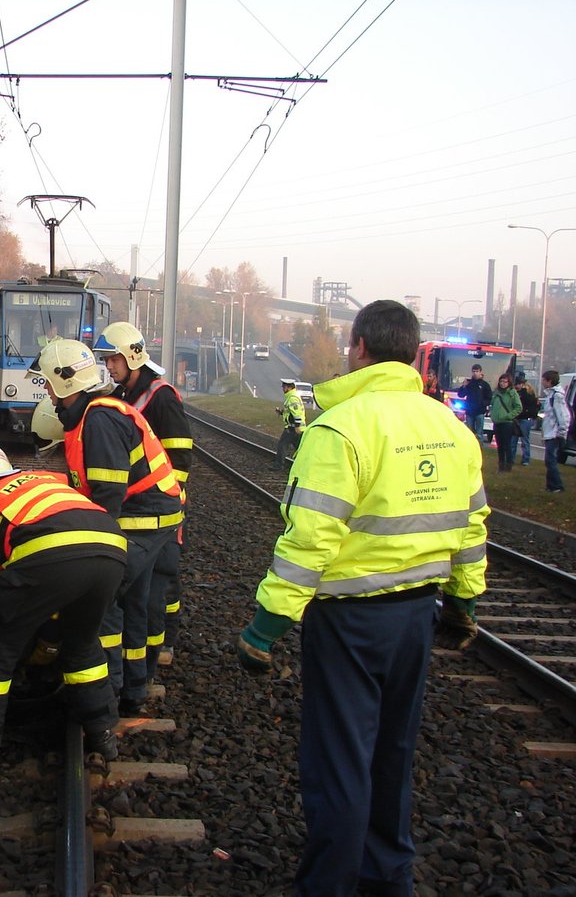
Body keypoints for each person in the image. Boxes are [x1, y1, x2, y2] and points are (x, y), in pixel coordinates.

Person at [236, 299, 488, 896]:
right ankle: (387, 877)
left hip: (349, 620)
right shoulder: (451, 429)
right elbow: (472, 529)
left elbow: (311, 538)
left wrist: (267, 626)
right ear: (412, 351)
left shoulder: (341, 427)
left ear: (359, 348)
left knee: (339, 760)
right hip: (416, 618)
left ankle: (329, 885)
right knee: (393, 755)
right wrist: (463, 604)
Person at [29, 339, 183, 717]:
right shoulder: (93, 417)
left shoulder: (98, 420)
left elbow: (107, 499)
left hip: (144, 517)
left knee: (103, 593)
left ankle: (108, 692)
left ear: (65, 382)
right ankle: (131, 689)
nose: (46, 391)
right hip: (148, 514)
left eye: (48, 383)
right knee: (132, 602)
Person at [0, 443, 126, 769]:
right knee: (81, 642)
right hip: (112, 548)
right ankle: (103, 732)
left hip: (50, 553)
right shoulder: (44, 480)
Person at [93, 321, 193, 669]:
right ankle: (146, 661)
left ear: (133, 357)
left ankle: (163, 643)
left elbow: (179, 456)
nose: (109, 366)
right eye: (106, 360)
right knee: (142, 590)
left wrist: (169, 498)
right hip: (137, 507)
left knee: (160, 582)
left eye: (113, 359)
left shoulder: (161, 397)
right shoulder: (123, 397)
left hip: (160, 507)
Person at [542, 369, 571, 494]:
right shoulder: (550, 395)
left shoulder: (556, 396)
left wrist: (561, 432)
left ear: (549, 381)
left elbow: (562, 415)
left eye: (544, 380)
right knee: (549, 460)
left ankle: (557, 486)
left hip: (554, 434)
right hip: (549, 432)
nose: (542, 382)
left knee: (551, 460)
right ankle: (550, 486)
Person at [490, 373, 522, 473]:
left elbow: (518, 407)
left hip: (507, 422)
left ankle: (508, 466)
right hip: (497, 422)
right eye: (501, 381)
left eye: (505, 382)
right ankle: (501, 466)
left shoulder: (512, 393)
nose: (503, 383)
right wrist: (492, 415)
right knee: (500, 445)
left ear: (509, 382)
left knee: (506, 445)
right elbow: (492, 404)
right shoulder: (496, 393)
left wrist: (509, 416)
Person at [273, 379, 305, 471]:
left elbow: (297, 413)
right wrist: (282, 412)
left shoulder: (292, 398)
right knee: (299, 448)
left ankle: (279, 466)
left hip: (293, 428)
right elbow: (290, 413)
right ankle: (303, 466)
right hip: (295, 427)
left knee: (282, 445)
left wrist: (297, 426)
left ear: (289, 387)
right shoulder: (291, 397)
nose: (283, 388)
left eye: (284, 387)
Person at [457, 363, 492, 443]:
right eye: (473, 371)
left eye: (477, 371)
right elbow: (461, 395)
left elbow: (489, 398)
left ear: (480, 372)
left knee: (479, 434)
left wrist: (482, 404)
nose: (475, 373)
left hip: (479, 412)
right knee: (470, 432)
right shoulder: (469, 384)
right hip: (469, 412)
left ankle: (480, 448)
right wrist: (464, 386)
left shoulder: (484, 385)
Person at [512, 372, 538, 466]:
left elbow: (532, 407)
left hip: (524, 419)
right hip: (518, 418)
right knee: (515, 440)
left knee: (523, 440)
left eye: (518, 384)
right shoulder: (518, 393)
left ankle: (525, 459)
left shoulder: (527, 394)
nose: (516, 386)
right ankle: (515, 459)